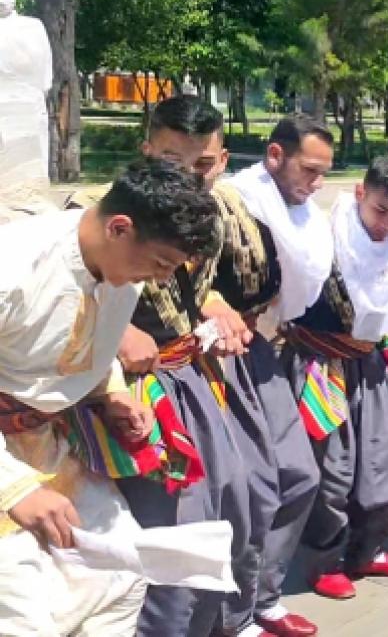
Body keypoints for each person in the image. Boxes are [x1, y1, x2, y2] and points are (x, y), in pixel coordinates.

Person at [0, 159, 220, 636]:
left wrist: (111, 395)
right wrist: (13, 488)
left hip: (48, 449)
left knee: (120, 573)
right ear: (120, 228)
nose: (160, 279)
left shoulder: (120, 268)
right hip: (7, 466)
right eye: (160, 263)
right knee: (25, 614)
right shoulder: (13, 265)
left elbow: (87, 348)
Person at [92, 110, 256, 637]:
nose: (188, 174)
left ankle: (222, 622)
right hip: (131, 389)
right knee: (168, 529)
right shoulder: (102, 210)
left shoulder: (218, 206)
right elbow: (78, 284)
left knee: (232, 502)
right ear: (146, 149)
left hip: (194, 372)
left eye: (202, 163)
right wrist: (113, 331)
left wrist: (214, 301)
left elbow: (198, 285)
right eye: (171, 159)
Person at [277, 157, 388, 600]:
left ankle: (368, 551)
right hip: (322, 363)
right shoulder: (323, 233)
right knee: (333, 472)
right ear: (361, 193)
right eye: (381, 211)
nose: (387, 225)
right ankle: (323, 562)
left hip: (371, 361)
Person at [215, 113, 327, 635]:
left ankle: (264, 595)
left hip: (270, 349)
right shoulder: (232, 201)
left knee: (300, 474)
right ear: (275, 156)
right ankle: (233, 615)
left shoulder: (298, 209)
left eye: (323, 172)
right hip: (218, 357)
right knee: (251, 486)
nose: (316, 183)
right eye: (308, 169)